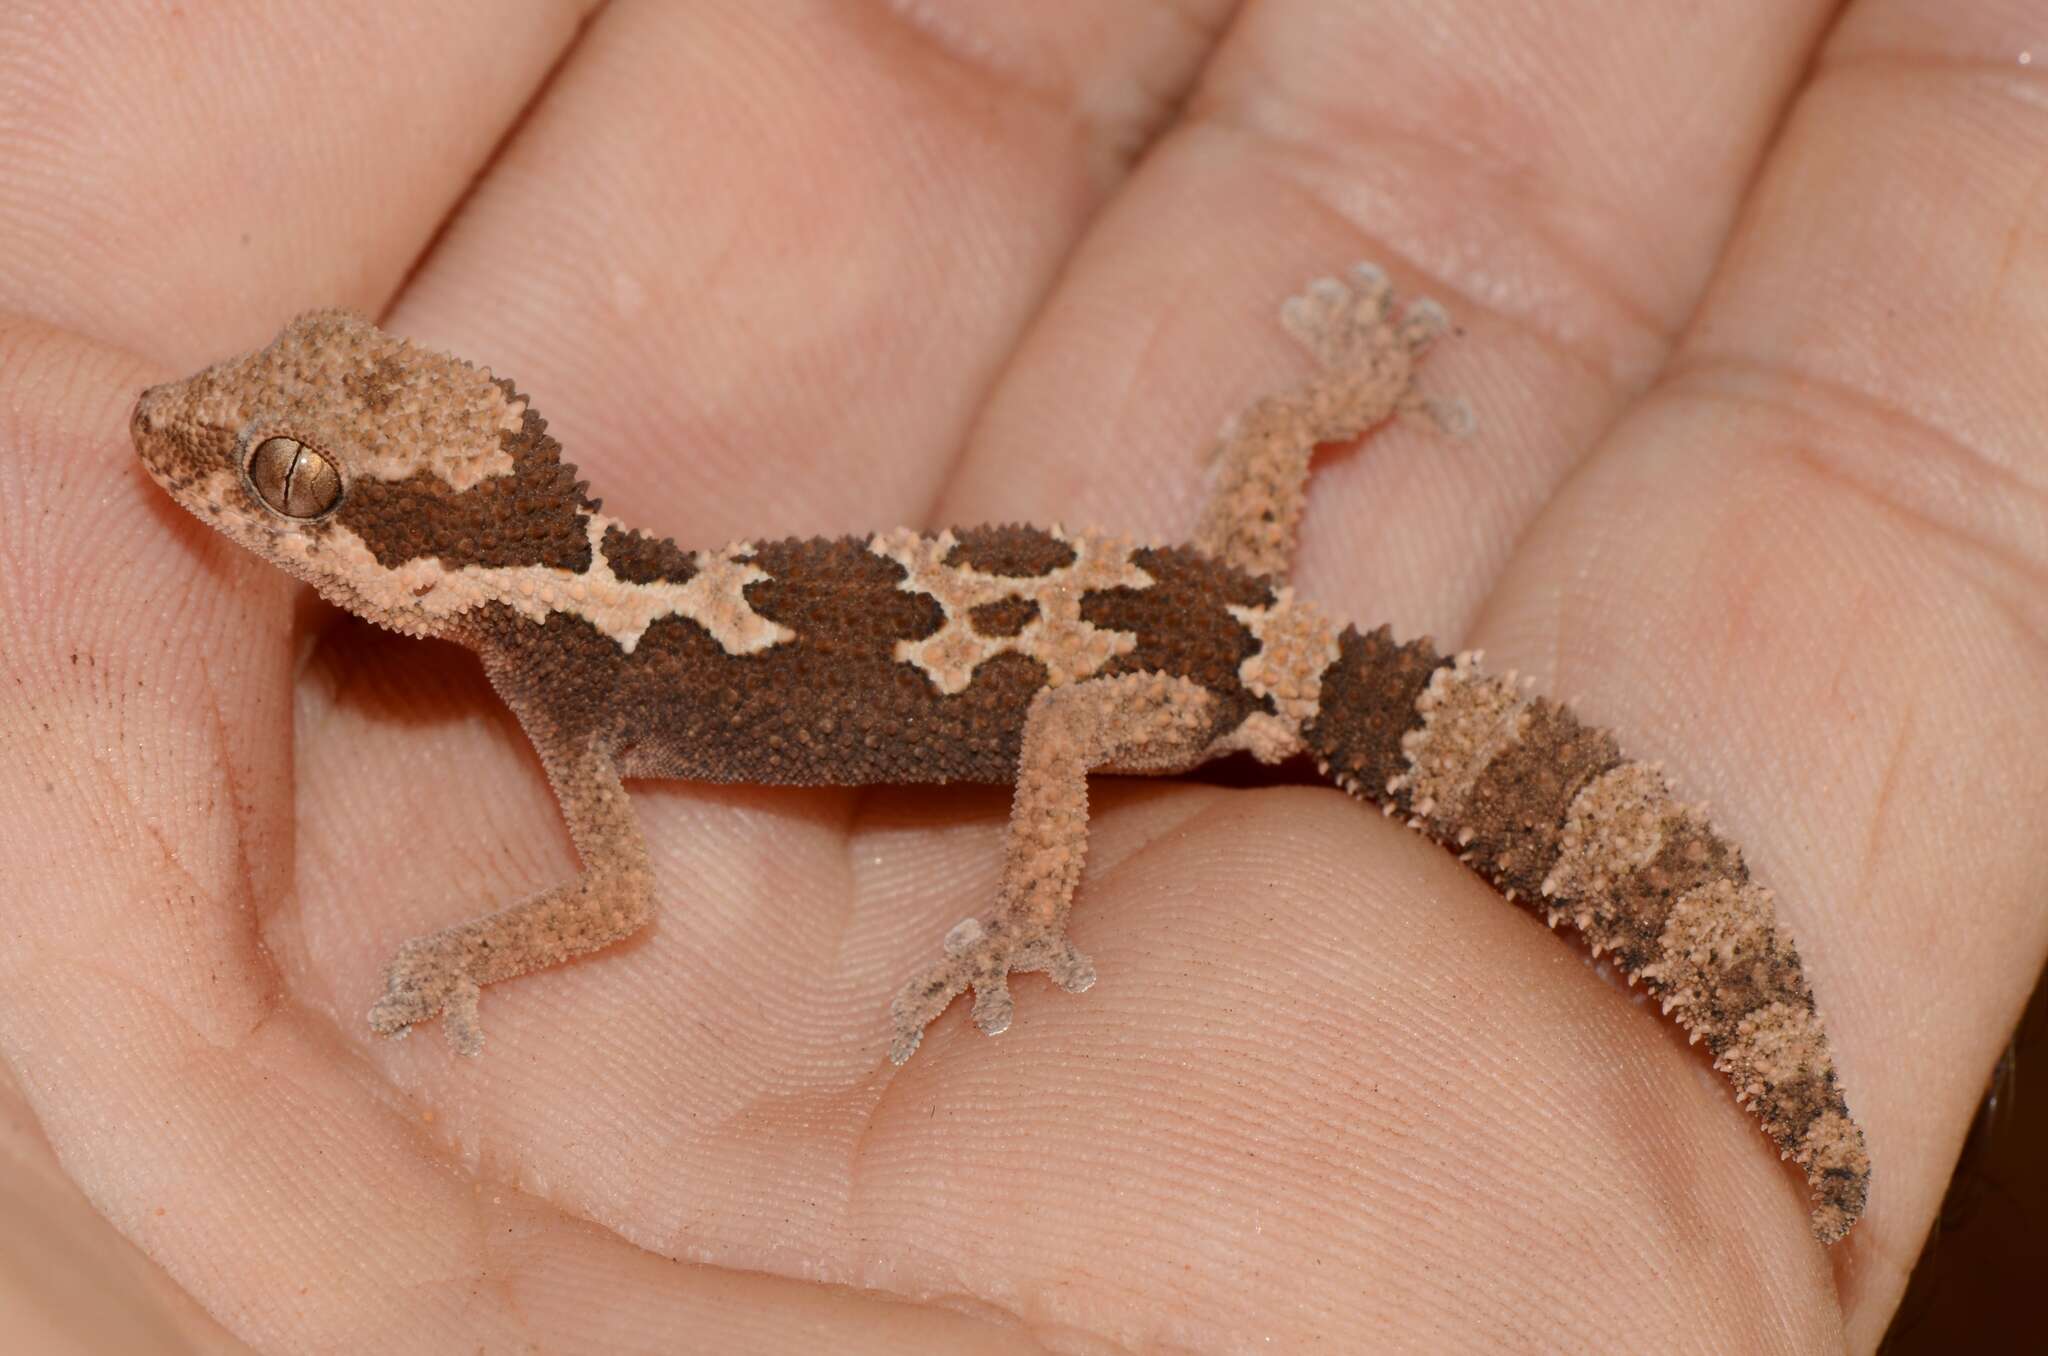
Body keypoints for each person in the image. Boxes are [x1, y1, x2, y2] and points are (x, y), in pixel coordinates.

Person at [0, 3, 2039, 1350]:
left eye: (284, 480)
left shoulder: (577, 674)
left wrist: (483, 955)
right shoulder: (585, 643)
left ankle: (1791, 1097)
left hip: (1201, 672)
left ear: (420, 550)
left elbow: (614, 899)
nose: (219, 473)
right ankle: (1329, 407)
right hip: (1204, 608)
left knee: (1088, 690)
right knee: (1183, 616)